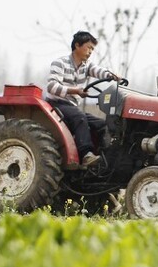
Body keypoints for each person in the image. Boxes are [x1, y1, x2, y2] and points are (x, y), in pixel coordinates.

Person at [45, 31, 119, 167]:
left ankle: (105, 160)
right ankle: (86, 155)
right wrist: (75, 91)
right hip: (56, 104)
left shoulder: (87, 66)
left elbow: (99, 71)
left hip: (71, 107)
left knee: (101, 124)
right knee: (79, 117)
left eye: (92, 49)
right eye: (89, 47)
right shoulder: (60, 63)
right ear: (77, 45)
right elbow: (51, 86)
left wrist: (111, 76)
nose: (90, 51)